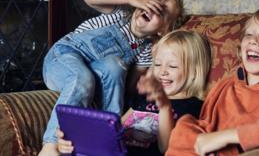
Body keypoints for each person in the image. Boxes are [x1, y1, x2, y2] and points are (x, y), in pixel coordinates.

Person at [39, 0, 183, 156]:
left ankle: (107, 140)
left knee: (116, 66)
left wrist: (158, 46)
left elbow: (127, 87)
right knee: (83, 77)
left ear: (163, 30)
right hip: (62, 58)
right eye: (151, 1)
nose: (152, 8)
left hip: (94, 76)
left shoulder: (145, 51)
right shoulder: (119, 15)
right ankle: (50, 144)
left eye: (161, 11)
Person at [166, 7, 259, 156]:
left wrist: (231, 136)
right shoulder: (226, 85)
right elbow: (205, 125)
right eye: (249, 35)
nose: (254, 41)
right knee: (184, 125)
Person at [56, 30, 212, 156]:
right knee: (70, 146)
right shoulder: (144, 97)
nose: (162, 71)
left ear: (194, 71)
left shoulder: (194, 107)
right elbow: (116, 128)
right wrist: (79, 136)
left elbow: (166, 149)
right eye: (157, 64)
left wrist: (164, 105)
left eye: (172, 66)